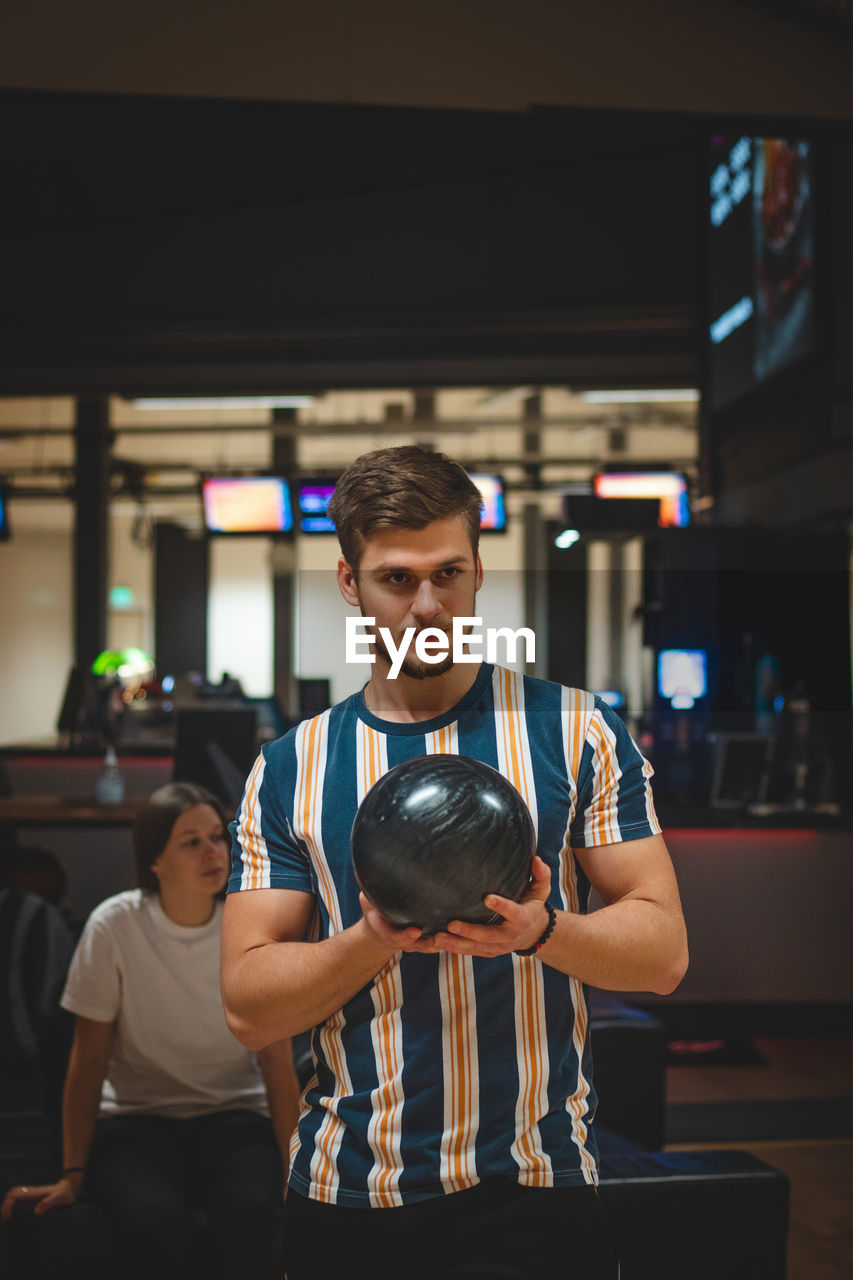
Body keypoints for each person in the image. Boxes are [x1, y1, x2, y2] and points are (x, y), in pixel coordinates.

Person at [220, 446, 689, 1280]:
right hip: (348, 1189)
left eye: (449, 574)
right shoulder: (292, 766)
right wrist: (373, 937)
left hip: (534, 1187)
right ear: (349, 583)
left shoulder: (574, 731)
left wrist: (539, 931)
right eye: (397, 579)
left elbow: (661, 956)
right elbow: (250, 1008)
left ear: (478, 572)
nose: (427, 605)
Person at [1, 782, 299, 1280]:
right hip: (137, 1119)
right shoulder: (114, 925)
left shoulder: (247, 924)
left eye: (217, 837)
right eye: (191, 842)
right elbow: (88, 1060)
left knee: (248, 1211)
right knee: (150, 1219)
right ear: (154, 861)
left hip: (233, 1113)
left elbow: (275, 1058)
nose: (214, 852)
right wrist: (71, 1176)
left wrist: (294, 1170)